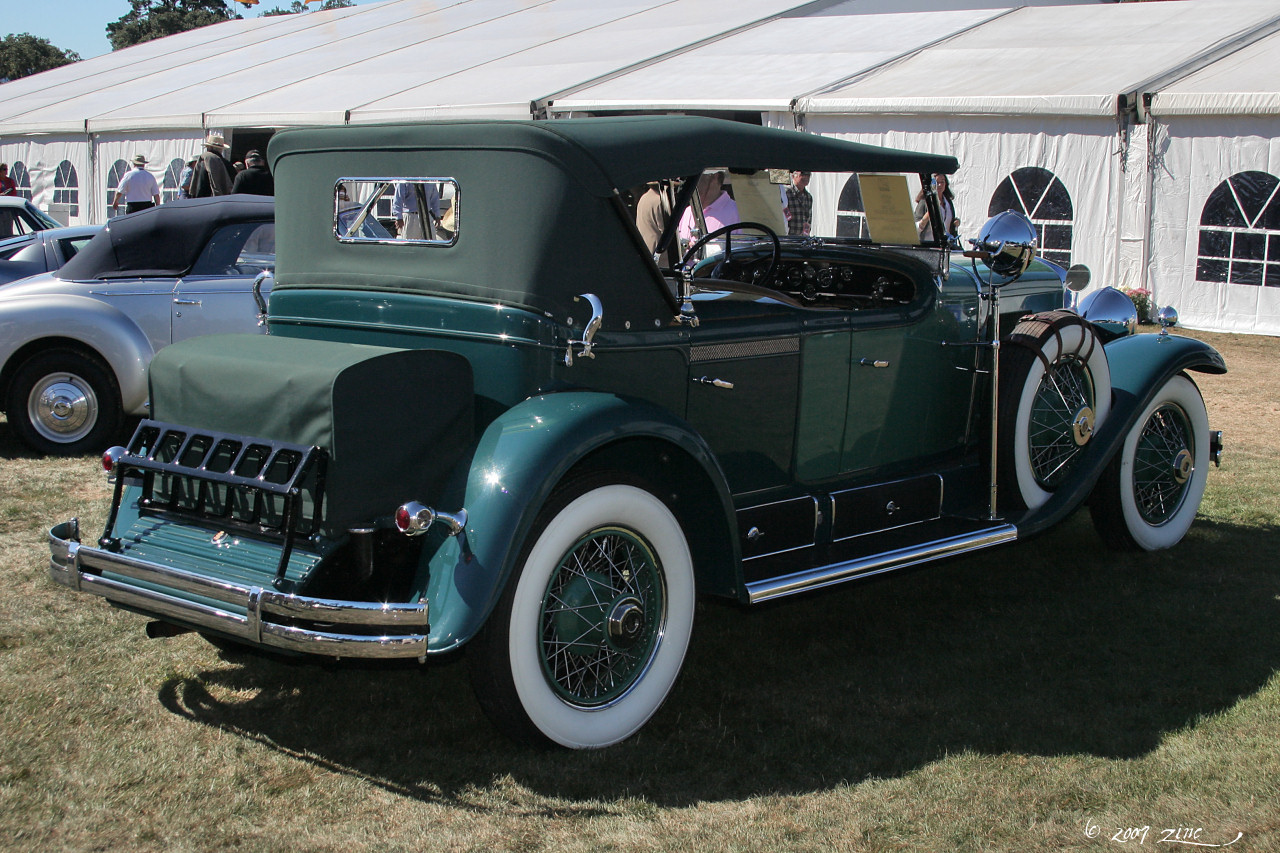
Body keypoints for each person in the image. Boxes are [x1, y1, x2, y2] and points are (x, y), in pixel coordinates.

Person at [677, 171, 738, 245]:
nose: (687, 181)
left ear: (714, 176)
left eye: (695, 175)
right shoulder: (687, 211)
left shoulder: (737, 212)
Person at [915, 172, 959, 242]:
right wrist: (926, 217)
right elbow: (914, 229)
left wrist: (955, 222)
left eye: (942, 182)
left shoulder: (948, 202)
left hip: (945, 246)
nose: (940, 185)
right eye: (937, 182)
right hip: (929, 246)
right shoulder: (924, 201)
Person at [189, 132, 234, 198]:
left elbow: (199, 184)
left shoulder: (202, 160)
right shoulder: (227, 164)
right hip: (223, 200)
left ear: (208, 147)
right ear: (221, 149)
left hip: (203, 199)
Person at [785, 170, 813, 237]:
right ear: (793, 176)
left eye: (808, 174)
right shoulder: (786, 193)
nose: (806, 177)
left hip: (802, 240)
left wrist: (806, 236)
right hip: (788, 239)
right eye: (803, 174)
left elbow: (808, 220)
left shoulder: (808, 197)